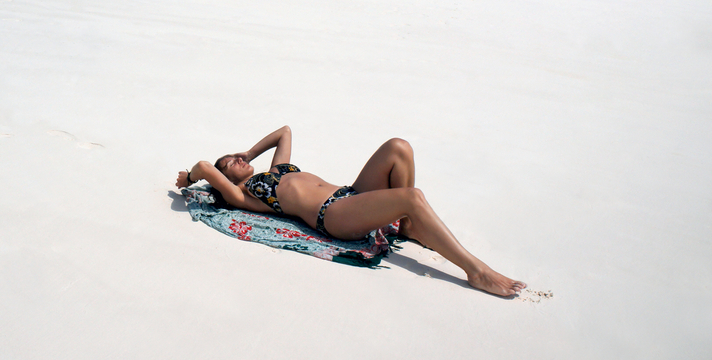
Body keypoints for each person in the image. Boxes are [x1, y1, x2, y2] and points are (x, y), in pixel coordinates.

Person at [176, 126, 526, 297]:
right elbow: (206, 167)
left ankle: (405, 226)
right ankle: (476, 271)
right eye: (231, 163)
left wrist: (248, 155)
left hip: (349, 194)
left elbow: (284, 131)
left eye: (236, 157)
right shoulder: (243, 196)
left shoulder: (274, 171)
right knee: (412, 196)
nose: (236, 160)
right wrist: (191, 178)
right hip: (333, 216)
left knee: (398, 147)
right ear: (226, 178)